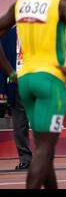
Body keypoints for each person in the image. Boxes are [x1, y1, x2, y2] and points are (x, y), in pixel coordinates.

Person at [0, 0, 66, 189]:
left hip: (25, 80)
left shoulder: (21, 4)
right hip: (50, 79)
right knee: (44, 149)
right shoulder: (61, 3)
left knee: (43, 150)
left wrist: (10, 72)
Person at [0, 26, 32, 170]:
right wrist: (1, 87)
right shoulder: (7, 34)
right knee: (20, 124)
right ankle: (25, 159)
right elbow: (2, 61)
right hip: (16, 83)